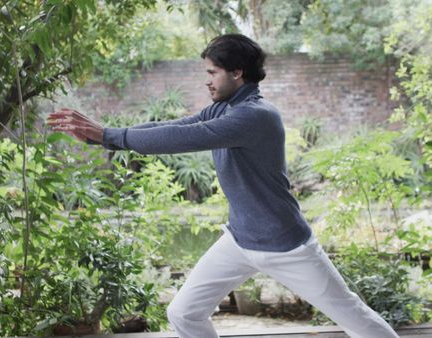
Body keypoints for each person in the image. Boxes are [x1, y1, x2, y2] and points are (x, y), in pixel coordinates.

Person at [47, 33, 399, 338]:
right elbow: (172, 125)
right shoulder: (224, 108)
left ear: (237, 72)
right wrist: (102, 136)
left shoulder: (255, 116)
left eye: (212, 72)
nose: (208, 80)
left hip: (285, 244)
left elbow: (184, 138)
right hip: (241, 240)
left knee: (354, 316)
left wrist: (108, 134)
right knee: (183, 312)